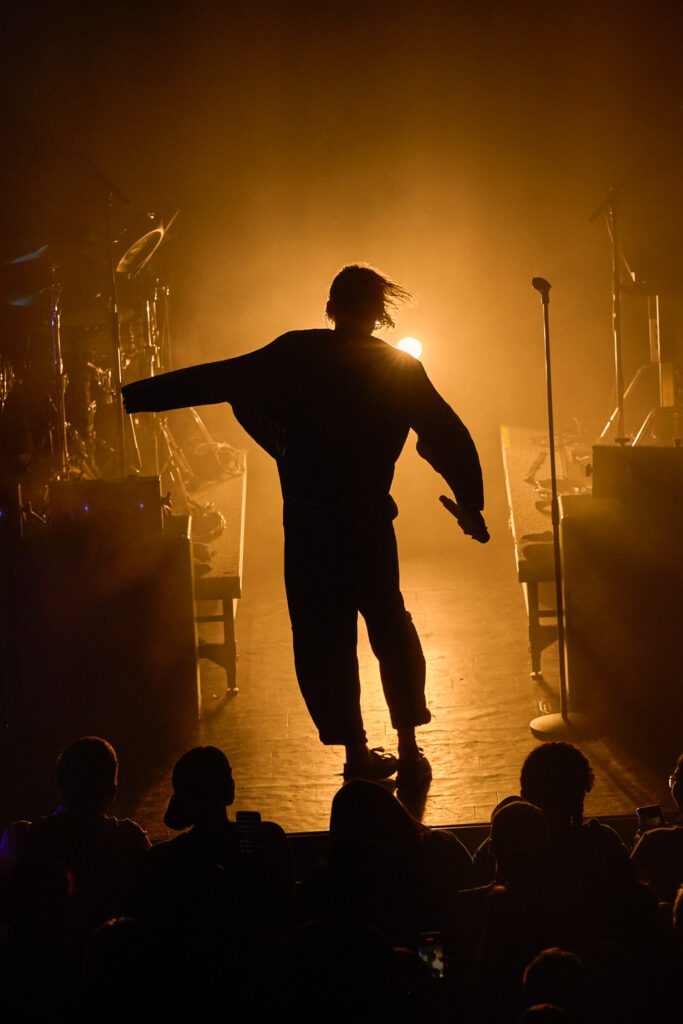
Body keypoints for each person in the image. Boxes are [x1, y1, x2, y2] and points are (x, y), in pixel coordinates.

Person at [122, 265, 488, 784]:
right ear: (379, 313)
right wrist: (470, 504)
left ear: (332, 308)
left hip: (311, 527)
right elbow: (446, 431)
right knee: (390, 626)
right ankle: (408, 748)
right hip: (367, 524)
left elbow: (222, 378)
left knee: (324, 636)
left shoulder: (295, 353)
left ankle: (358, 756)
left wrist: (135, 396)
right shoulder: (398, 367)